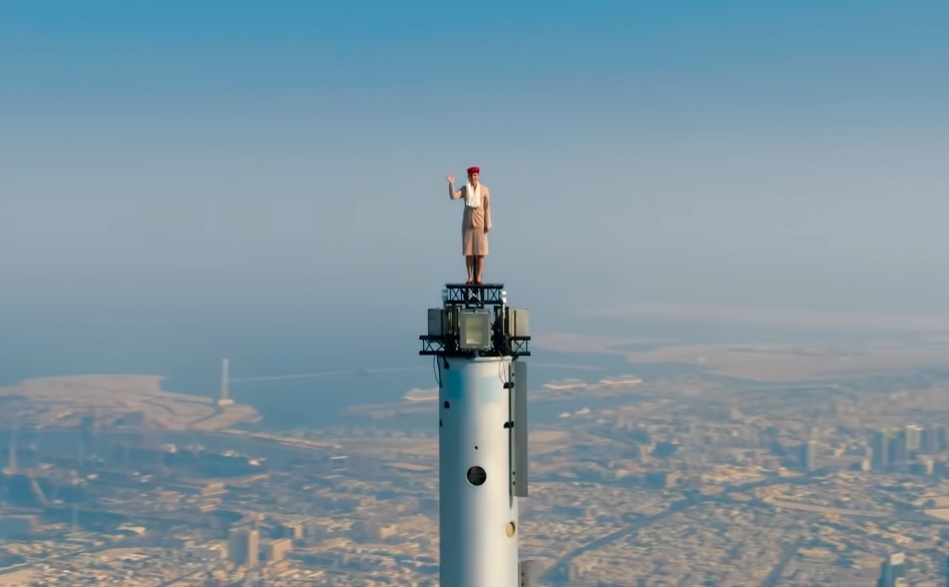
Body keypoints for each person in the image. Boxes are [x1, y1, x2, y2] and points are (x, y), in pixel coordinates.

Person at [447, 166, 491, 285]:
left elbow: (487, 208)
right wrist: (451, 184)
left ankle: (478, 277)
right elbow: (453, 196)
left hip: (480, 224)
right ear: (468, 176)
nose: (473, 178)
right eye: (471, 176)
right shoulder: (465, 189)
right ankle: (470, 276)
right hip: (467, 224)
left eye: (475, 175)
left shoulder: (484, 190)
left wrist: (488, 224)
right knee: (469, 252)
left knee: (481, 252)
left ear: (478, 175)